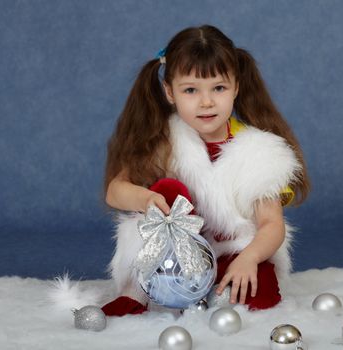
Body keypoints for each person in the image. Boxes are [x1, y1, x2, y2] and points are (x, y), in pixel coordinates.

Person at [101, 25, 310, 316]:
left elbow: (272, 225)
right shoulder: (162, 141)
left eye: (219, 88)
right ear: (170, 92)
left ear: (236, 87)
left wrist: (249, 258)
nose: (206, 102)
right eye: (190, 90)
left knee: (259, 296)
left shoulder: (260, 151)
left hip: (230, 249)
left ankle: (215, 288)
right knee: (168, 193)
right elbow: (115, 190)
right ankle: (136, 292)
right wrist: (144, 199)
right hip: (173, 252)